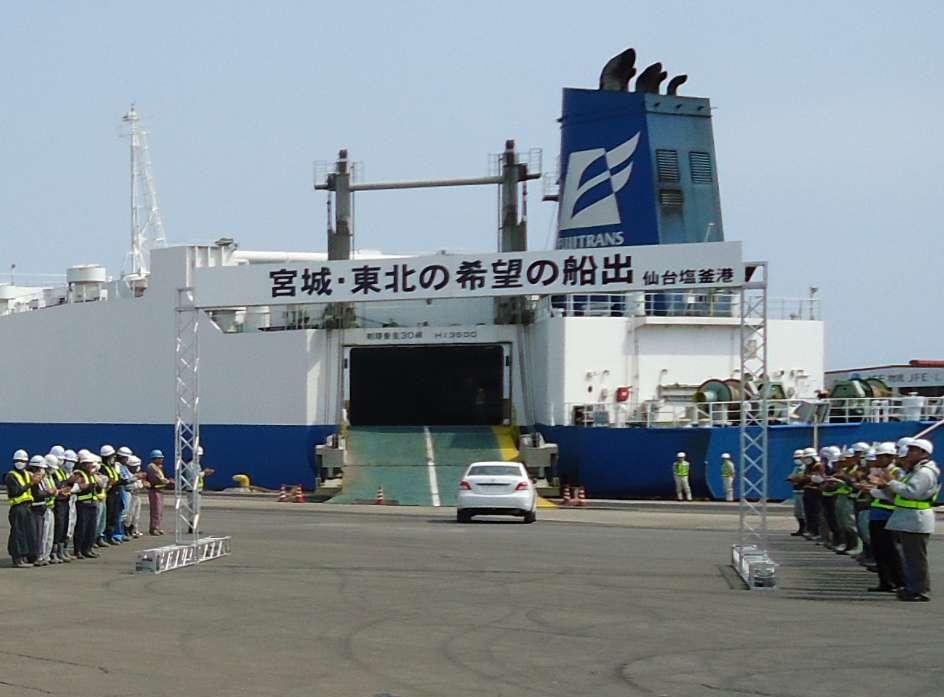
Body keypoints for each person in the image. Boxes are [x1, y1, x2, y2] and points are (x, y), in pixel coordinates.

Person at [874, 437, 939, 602]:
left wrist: (891, 483)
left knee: (915, 558)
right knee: (911, 557)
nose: (909, 453)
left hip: (916, 519)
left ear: (924, 454)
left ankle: (918, 590)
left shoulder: (924, 472)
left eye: (913, 450)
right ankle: (913, 587)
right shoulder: (916, 471)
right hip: (910, 518)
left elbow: (912, 492)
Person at [859, 441, 904, 593]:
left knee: (891, 550)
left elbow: (894, 494)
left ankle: (898, 581)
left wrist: (872, 491)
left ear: (889, 457)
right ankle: (885, 581)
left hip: (888, 514)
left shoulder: (897, 472)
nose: (877, 460)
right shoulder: (879, 472)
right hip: (876, 514)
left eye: (880, 457)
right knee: (878, 550)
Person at [6, 450, 40, 568]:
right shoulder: (11, 476)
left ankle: (27, 556)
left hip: (27, 507)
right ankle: (17, 558)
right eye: (18, 461)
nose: (20, 463)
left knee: (28, 533)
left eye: (22, 461)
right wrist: (30, 483)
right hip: (18, 507)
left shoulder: (26, 474)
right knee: (18, 533)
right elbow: (15, 492)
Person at [72, 450, 101, 559]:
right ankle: (78, 550)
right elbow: (78, 487)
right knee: (81, 528)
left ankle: (88, 549)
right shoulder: (78, 474)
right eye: (89, 463)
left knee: (91, 529)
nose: (91, 465)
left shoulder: (91, 474)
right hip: (83, 504)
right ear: (83, 464)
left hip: (92, 504)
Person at [27, 455, 54, 566]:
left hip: (42, 508)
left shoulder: (42, 479)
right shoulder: (33, 478)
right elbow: (38, 493)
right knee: (36, 535)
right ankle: (35, 556)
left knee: (42, 534)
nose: (42, 471)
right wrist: (49, 492)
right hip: (34, 508)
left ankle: (42, 556)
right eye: (39, 468)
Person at [49, 450, 74, 563]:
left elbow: (66, 486)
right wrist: (68, 482)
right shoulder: (53, 472)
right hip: (58, 503)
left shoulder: (62, 472)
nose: (62, 461)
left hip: (65, 501)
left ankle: (61, 550)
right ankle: (54, 552)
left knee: (64, 526)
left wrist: (70, 482)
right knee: (58, 527)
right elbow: (58, 485)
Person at [146, 450, 172, 535]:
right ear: (155, 458)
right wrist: (168, 482)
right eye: (160, 458)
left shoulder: (158, 467)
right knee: (156, 510)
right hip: (154, 491)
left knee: (160, 510)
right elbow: (158, 479)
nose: (162, 459)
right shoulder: (152, 467)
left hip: (159, 491)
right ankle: (153, 528)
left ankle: (158, 526)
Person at [122, 455, 146, 538]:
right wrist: (136, 481)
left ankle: (134, 529)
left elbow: (140, 484)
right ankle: (126, 529)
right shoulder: (127, 474)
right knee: (129, 514)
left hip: (137, 495)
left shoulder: (136, 475)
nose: (137, 468)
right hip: (130, 496)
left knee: (136, 515)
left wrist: (141, 484)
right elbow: (127, 485)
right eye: (135, 467)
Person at [786, 449, 807, 536]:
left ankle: (806, 529)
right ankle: (801, 528)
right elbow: (791, 477)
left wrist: (796, 479)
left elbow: (800, 478)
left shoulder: (805, 468)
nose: (797, 459)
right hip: (797, 491)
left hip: (803, 492)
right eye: (795, 458)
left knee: (803, 512)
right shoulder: (796, 468)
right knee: (797, 513)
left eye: (799, 457)